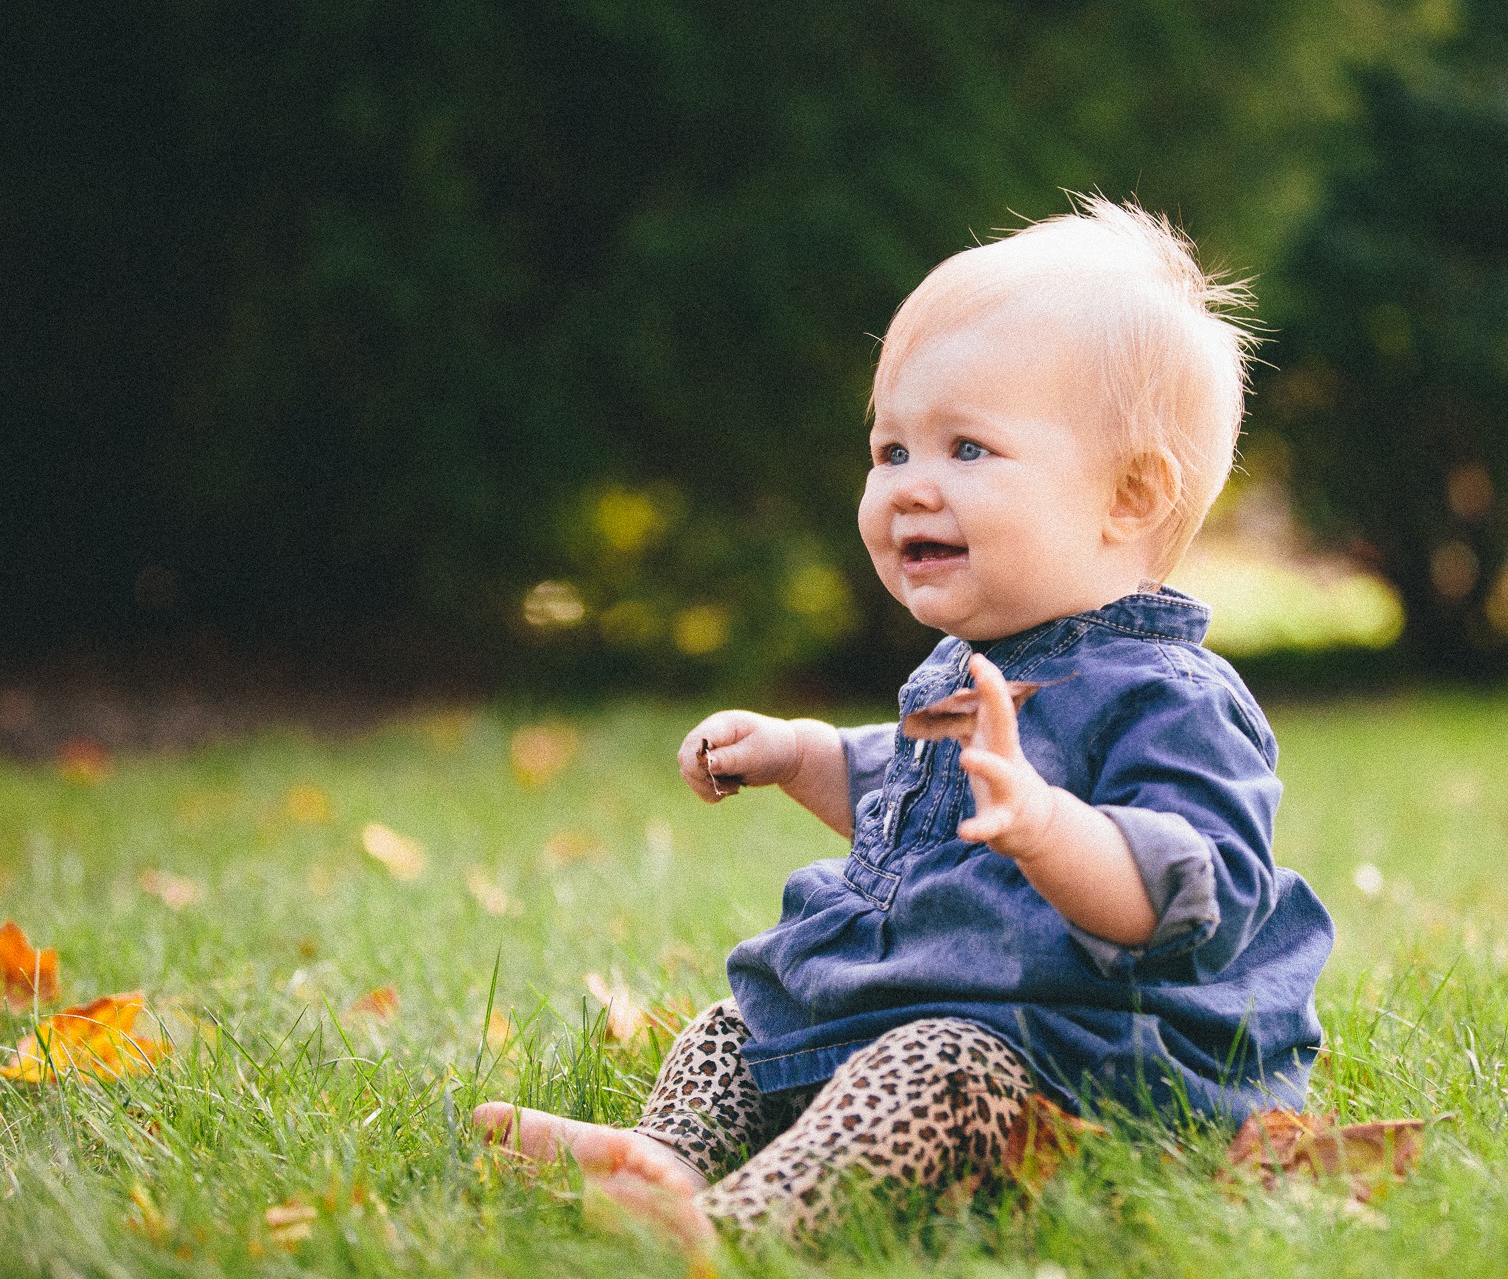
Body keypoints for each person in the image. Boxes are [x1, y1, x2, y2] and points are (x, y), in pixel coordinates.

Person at [475, 197, 1334, 1239]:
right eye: (891, 452)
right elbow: (910, 793)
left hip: (1090, 1069)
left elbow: (1198, 889)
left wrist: (1052, 828)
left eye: (966, 450)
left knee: (933, 1064)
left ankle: (744, 1221)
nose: (909, 489)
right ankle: (665, 1159)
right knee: (739, 1026)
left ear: (1129, 498)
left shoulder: (1172, 695)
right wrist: (800, 754)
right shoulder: (969, 667)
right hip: (932, 1005)